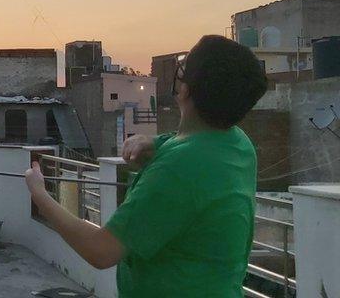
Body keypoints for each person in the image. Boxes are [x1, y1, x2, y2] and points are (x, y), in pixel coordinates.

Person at [25, 35, 268, 297]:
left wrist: (40, 195)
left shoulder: (177, 170)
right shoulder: (238, 143)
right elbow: (189, 143)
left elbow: (102, 250)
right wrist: (155, 142)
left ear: (185, 89)